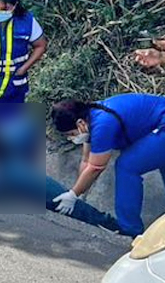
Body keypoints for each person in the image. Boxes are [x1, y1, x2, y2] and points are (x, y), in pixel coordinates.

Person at [50, 94, 165, 237]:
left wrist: (73, 194)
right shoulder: (91, 119)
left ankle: (130, 229)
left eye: (71, 133)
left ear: (80, 124)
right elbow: (86, 160)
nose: (70, 138)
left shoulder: (102, 124)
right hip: (159, 126)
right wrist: (79, 192)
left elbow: (96, 167)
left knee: (127, 167)